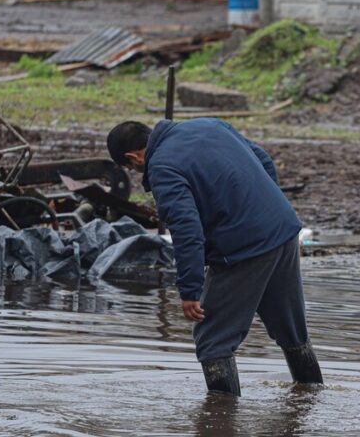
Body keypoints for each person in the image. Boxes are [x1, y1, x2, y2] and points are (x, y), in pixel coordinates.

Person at [107, 118, 323, 396]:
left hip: (245, 249)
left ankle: (220, 420)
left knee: (212, 341)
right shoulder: (208, 125)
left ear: (132, 157)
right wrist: (267, 210)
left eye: (130, 167)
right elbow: (263, 159)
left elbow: (187, 230)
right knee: (291, 328)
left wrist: (189, 290)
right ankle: (312, 399)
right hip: (284, 231)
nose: (135, 171)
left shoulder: (161, 167)